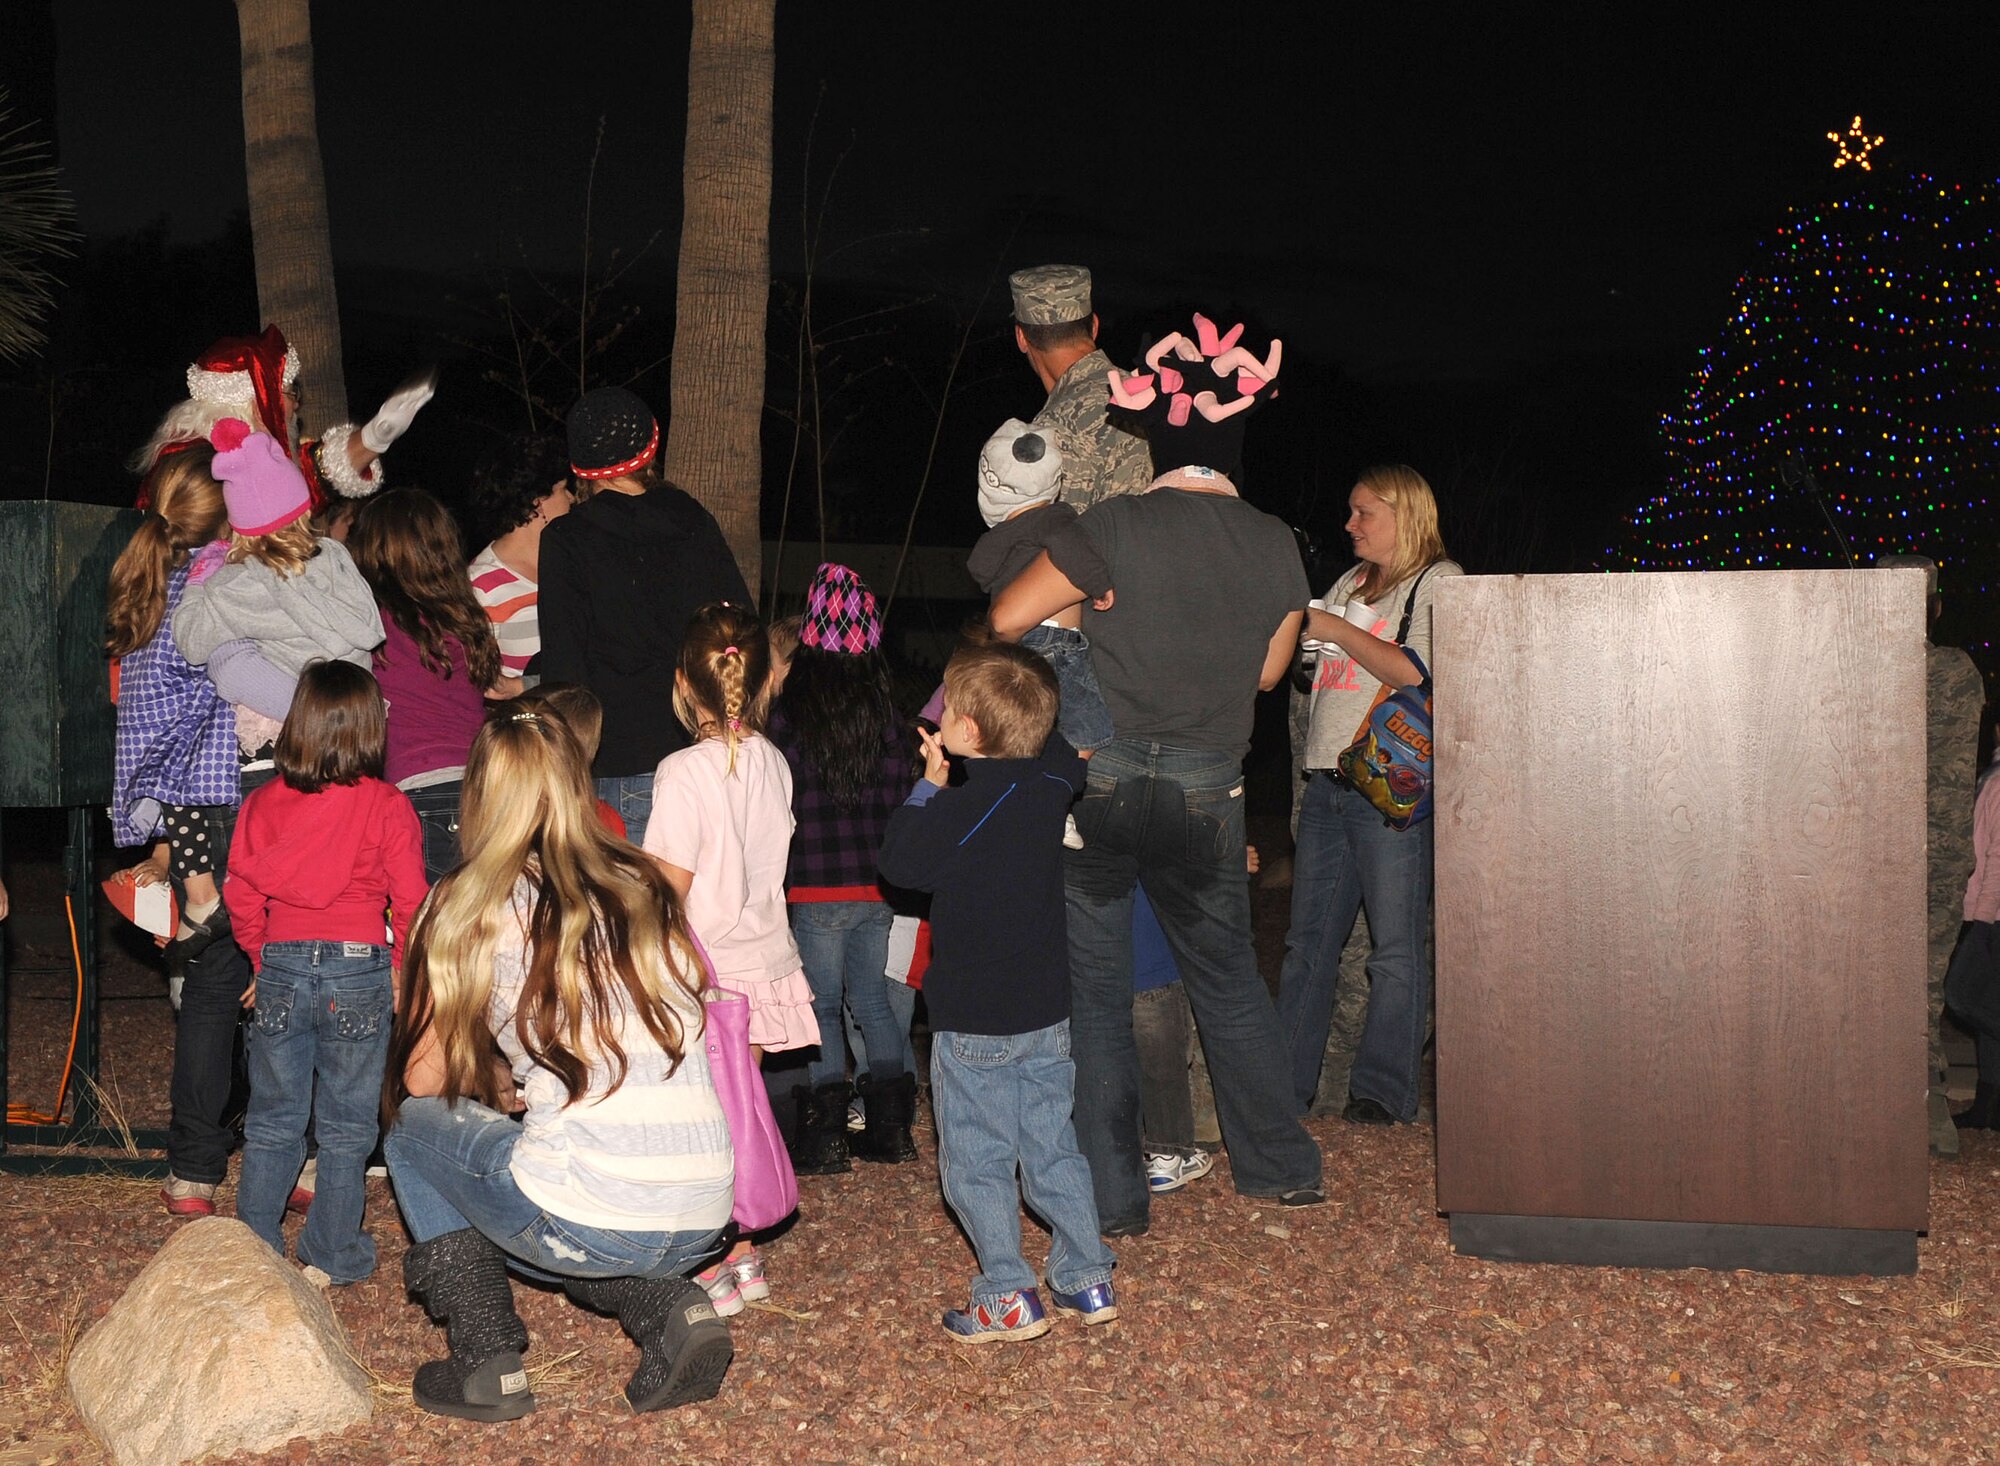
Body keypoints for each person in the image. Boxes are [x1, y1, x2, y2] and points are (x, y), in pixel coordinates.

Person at [992, 308, 1322, 1235]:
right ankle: (1281, 1168)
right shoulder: (1275, 542)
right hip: (1209, 787)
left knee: (1096, 992)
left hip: (1103, 785)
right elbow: (1266, 675)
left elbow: (1009, 622)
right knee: (1226, 979)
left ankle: (1112, 1197)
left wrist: (1085, 634)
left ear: (1154, 437)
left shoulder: (1113, 523)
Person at [382, 707, 735, 1421]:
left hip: (593, 1206)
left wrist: (484, 1075)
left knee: (415, 1134)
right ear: (579, 785)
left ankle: (485, 1364)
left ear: (477, 795)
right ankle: (669, 1305)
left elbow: (424, 1083)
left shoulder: (465, 903)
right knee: (560, 1199)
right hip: (705, 1208)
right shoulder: (645, 886)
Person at [159, 421, 385, 1219]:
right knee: (329, 950)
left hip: (265, 783)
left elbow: (189, 644)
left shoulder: (231, 581)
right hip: (343, 771)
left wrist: (241, 648)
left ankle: (194, 1171)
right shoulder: (339, 561)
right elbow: (367, 635)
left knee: (228, 968)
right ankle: (317, 1159)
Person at [877, 641, 1117, 1342]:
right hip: (1046, 1008)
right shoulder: (1049, 782)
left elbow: (900, 863)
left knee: (978, 1158)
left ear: (969, 732)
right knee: (1050, 1143)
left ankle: (1008, 1293)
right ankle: (1086, 1276)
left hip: (974, 1018)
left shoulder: (956, 805)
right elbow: (1057, 747)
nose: (940, 715)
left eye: (948, 709)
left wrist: (928, 780)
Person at [224, 661, 427, 1282]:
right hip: (358, 968)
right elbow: (412, 898)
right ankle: (332, 1253)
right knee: (346, 1127)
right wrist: (399, 970)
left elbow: (239, 893)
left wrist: (263, 958)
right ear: (370, 729)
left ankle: (257, 1249)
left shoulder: (261, 804)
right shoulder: (387, 805)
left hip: (283, 966)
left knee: (273, 1119)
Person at [1277, 466, 1461, 1125]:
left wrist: (1339, 630)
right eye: (1350, 513)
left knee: (1395, 948)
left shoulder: (1440, 581)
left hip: (1389, 788)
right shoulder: (1351, 582)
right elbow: (1314, 669)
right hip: (1326, 781)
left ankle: (1382, 1094)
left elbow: (1417, 669)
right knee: (1308, 945)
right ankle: (1285, 1087)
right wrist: (1314, 640)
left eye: (1364, 513)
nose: (1350, 525)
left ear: (1405, 514)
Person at [643, 603, 813, 1314]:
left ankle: (714, 1258)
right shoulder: (773, 761)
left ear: (685, 684)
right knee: (739, 1110)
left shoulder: (683, 771)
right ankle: (742, 1253)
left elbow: (666, 886)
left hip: (706, 972)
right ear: (764, 681)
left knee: (703, 1118)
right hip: (764, 959)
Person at [538, 387, 751, 844]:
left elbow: (564, 672)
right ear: (650, 448)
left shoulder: (566, 540)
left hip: (616, 764)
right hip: (706, 755)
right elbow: (741, 627)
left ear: (580, 468)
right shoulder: (691, 519)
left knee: (630, 909)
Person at [769, 564, 918, 1174]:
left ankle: (825, 1138)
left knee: (821, 1008)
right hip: (876, 884)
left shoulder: (788, 718)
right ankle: (892, 1132)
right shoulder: (888, 719)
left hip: (812, 884)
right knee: (873, 1005)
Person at [103, 449, 239, 981]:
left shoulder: (151, 579)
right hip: (208, 787)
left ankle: (188, 899)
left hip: (172, 787)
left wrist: (163, 854)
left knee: (208, 985)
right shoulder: (211, 577)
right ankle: (200, 899)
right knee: (229, 973)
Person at [1875, 554, 1986, 1156]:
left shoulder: (1874, 671)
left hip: (1888, 858)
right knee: (1920, 986)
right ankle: (1926, 1111)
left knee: (1886, 986)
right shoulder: (1956, 670)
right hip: (1935, 859)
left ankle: (1917, 1110)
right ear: (1935, 607)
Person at [348, 488, 513, 883]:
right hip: (484, 788)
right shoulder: (462, 621)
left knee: (433, 931)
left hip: (416, 791)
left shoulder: (371, 629)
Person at [130, 324, 425, 515]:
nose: (296, 402)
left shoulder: (236, 455)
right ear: (258, 396)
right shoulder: (192, 461)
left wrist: (375, 436)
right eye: (289, 389)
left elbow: (312, 475)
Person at [1009, 265, 1152, 510]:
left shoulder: (1052, 432)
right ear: (1094, 326)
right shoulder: (1149, 392)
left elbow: (1057, 540)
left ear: (1021, 338)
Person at [466, 433, 574, 686]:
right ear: (537, 503)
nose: (571, 497)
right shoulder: (480, 585)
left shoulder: (571, 562)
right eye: (562, 489)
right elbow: (479, 684)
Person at [1952, 749, 2000, 1129]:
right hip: (1988, 914)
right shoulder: (1992, 775)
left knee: (1963, 995)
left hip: (1992, 916)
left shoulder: (1998, 782)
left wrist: (1980, 918)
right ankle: (1988, 1106)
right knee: (1988, 1003)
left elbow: (1997, 859)